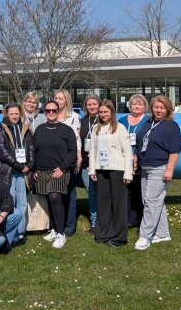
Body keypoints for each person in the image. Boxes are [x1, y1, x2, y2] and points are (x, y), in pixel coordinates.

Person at [134, 95, 181, 251]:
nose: (158, 110)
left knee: (151, 202)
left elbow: (175, 150)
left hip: (160, 167)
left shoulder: (171, 126)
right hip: (145, 167)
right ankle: (162, 233)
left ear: (168, 109)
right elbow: (141, 142)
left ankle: (145, 236)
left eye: (162, 108)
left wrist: (169, 169)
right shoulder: (149, 122)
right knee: (152, 201)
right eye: (156, 107)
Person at [33, 100, 77, 249]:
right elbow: (34, 150)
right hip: (41, 170)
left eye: (54, 110)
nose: (51, 113)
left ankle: (60, 233)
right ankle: (53, 229)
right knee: (48, 199)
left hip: (59, 171)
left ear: (58, 112)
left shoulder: (66, 130)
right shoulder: (40, 129)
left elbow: (72, 152)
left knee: (55, 197)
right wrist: (34, 169)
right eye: (48, 110)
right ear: (45, 112)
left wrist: (63, 168)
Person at [89, 99, 133, 247]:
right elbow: (92, 150)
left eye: (105, 112)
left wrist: (128, 173)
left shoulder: (120, 128)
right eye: (101, 112)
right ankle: (103, 233)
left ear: (112, 112)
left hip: (118, 170)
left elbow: (127, 152)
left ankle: (120, 237)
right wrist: (92, 169)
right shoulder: (96, 128)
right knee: (103, 203)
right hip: (101, 170)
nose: (103, 114)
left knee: (118, 204)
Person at [0, 102, 34, 244]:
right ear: (7, 114)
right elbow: (2, 151)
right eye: (11, 114)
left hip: (23, 172)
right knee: (10, 202)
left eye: (16, 113)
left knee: (22, 203)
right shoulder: (2, 128)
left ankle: (21, 232)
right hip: (10, 171)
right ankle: (10, 230)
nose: (14, 116)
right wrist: (18, 165)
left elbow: (31, 148)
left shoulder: (25, 128)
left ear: (20, 113)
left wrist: (30, 165)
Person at [54, 89, 82, 236]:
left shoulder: (74, 117)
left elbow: (77, 139)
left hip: (69, 158)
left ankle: (70, 226)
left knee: (70, 194)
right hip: (54, 159)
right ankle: (57, 224)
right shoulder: (51, 115)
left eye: (61, 98)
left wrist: (79, 157)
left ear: (66, 100)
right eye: (56, 98)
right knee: (56, 194)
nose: (58, 100)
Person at [119, 94, 148, 228]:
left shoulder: (148, 120)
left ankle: (141, 220)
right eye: (134, 104)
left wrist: (137, 156)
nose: (136, 106)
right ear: (130, 106)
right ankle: (130, 219)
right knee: (127, 191)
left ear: (144, 107)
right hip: (124, 159)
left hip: (140, 159)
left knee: (140, 191)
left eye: (140, 104)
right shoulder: (122, 120)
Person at [78, 94, 101, 232]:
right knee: (92, 193)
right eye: (89, 104)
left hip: (102, 164)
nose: (92, 107)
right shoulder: (81, 122)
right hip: (86, 164)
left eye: (95, 104)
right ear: (85, 107)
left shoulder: (104, 119)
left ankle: (106, 220)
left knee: (103, 193)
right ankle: (95, 222)